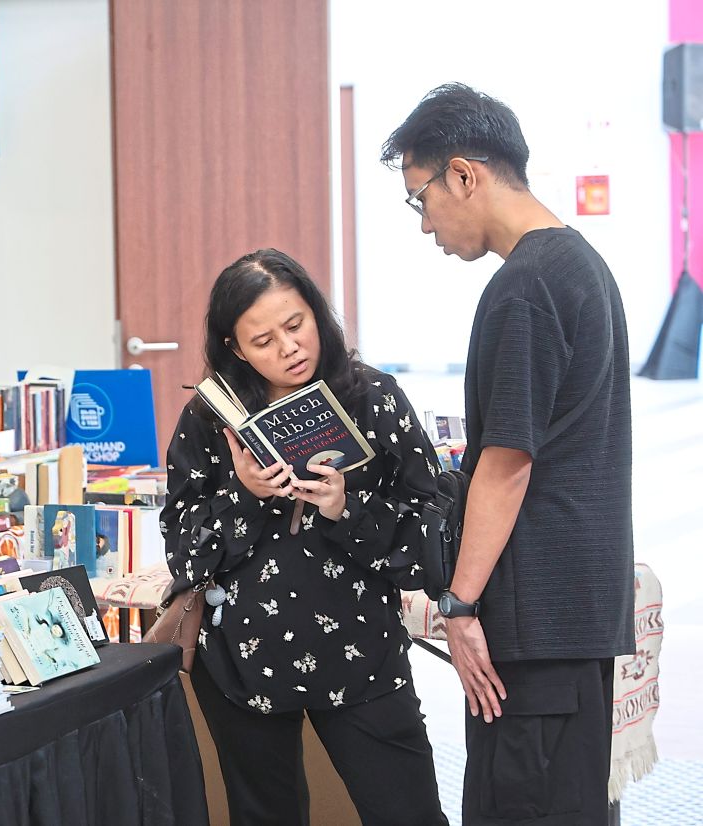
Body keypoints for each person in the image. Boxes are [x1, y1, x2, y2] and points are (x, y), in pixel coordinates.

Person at [381, 83, 633, 825]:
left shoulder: (524, 286)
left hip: (536, 622)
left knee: (521, 807)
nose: (424, 224)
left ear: (464, 174)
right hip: (574, 611)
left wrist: (458, 604)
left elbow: (507, 463)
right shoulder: (577, 263)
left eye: (419, 197)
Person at [161, 249, 446, 826]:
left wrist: (348, 508)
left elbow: (429, 537)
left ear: (317, 313)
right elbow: (184, 552)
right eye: (263, 341)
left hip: (361, 655)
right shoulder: (211, 417)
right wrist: (244, 493)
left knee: (410, 813)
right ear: (234, 348)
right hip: (243, 664)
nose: (288, 348)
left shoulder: (373, 396)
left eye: (295, 326)